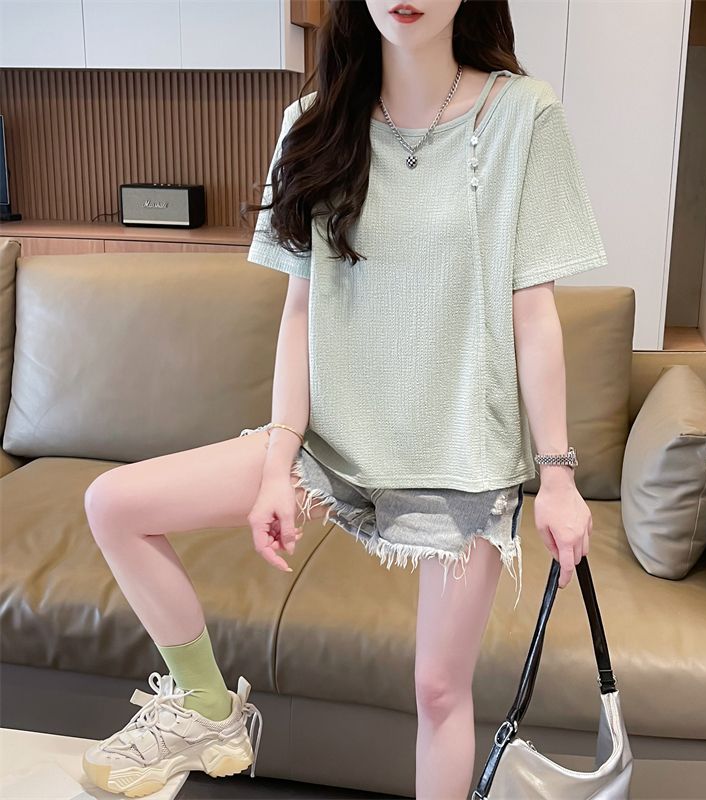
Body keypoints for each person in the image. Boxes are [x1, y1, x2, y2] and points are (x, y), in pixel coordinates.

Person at [81, 0, 608, 797]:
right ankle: (207, 708)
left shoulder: (523, 115)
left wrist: (558, 476)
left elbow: (533, 314)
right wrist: (277, 463)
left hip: (462, 451)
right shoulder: (312, 125)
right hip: (331, 446)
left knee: (439, 689)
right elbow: (301, 314)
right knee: (114, 503)